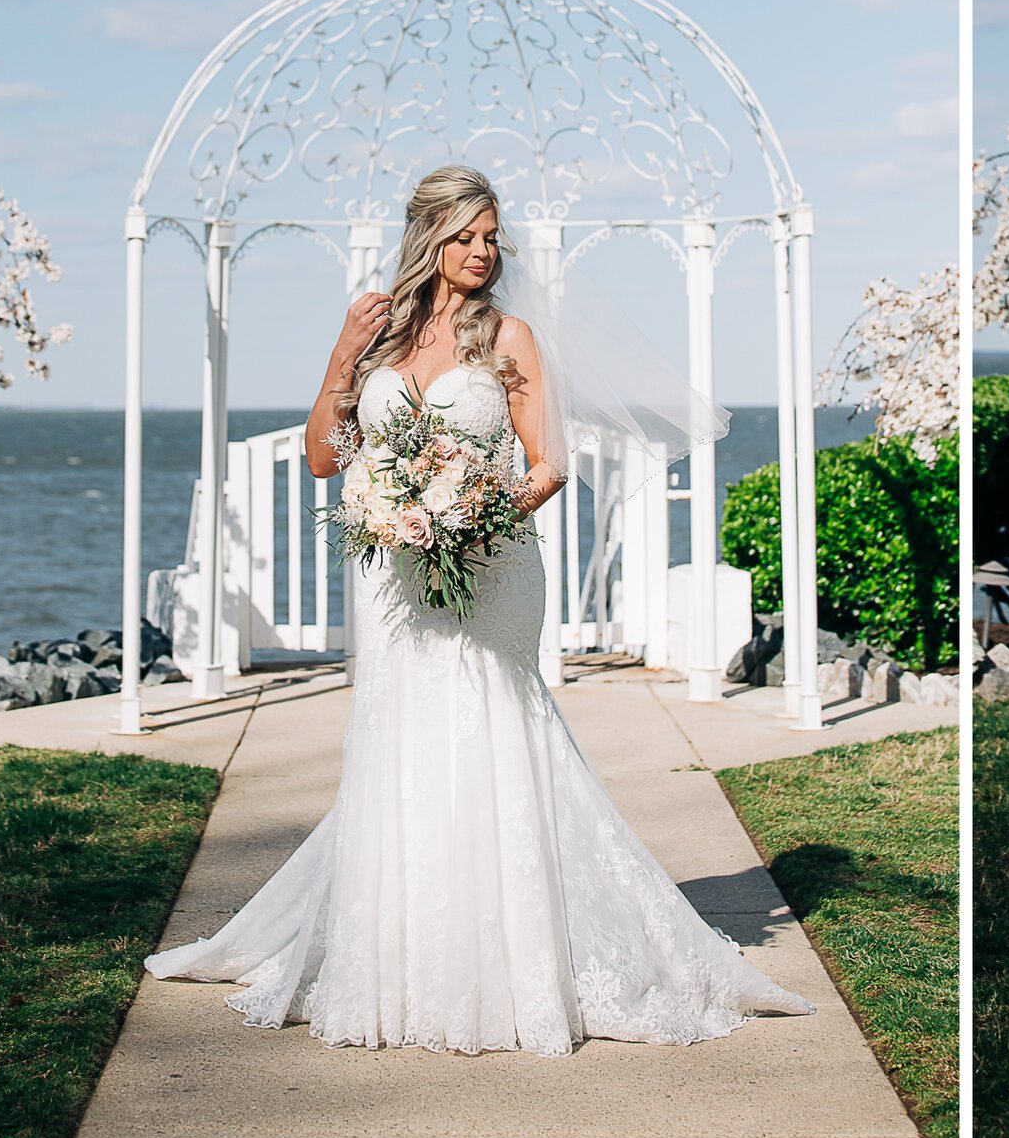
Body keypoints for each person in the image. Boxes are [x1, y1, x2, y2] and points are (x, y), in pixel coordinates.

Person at [146, 164, 809, 1053]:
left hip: (490, 569)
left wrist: (471, 518)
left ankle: (514, 962)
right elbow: (320, 457)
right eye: (467, 236)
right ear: (429, 238)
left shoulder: (512, 336)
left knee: (494, 731)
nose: (484, 253)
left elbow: (549, 463)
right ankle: (403, 958)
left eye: (494, 237)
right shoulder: (377, 337)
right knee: (401, 743)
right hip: (393, 580)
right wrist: (345, 354)